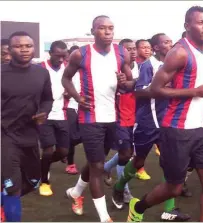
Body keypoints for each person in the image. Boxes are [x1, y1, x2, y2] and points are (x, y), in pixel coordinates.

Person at [127, 6, 203, 222]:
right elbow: (155, 89)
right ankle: (138, 207)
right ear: (187, 26)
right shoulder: (179, 53)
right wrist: (194, 92)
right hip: (176, 129)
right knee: (174, 187)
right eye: (200, 22)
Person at [62, 15, 134, 222]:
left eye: (111, 28)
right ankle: (104, 217)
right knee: (98, 167)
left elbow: (129, 84)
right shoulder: (80, 54)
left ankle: (76, 193)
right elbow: (66, 78)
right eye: (102, 28)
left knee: (109, 158)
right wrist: (77, 97)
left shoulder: (122, 53)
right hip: (90, 117)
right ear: (93, 31)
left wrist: (125, 81)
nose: (108, 32)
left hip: (114, 116)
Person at [1, 31, 53, 222]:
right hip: (5, 136)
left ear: (33, 48)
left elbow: (48, 99)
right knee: (12, 185)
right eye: (18, 46)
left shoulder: (41, 72)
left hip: (30, 134)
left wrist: (44, 112)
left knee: (33, 181)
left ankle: (4, 201)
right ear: (10, 49)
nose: (24, 50)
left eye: (28, 46)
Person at [104, 38, 140, 208]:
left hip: (138, 116)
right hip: (119, 117)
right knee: (126, 154)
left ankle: (105, 168)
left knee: (131, 153)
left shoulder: (142, 67)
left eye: (134, 48)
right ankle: (123, 190)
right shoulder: (114, 69)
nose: (132, 52)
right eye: (128, 49)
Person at [37, 40, 70, 197]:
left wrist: (71, 93)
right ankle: (44, 181)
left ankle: (40, 165)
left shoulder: (68, 69)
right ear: (50, 54)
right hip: (44, 115)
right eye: (58, 56)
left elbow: (72, 87)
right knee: (48, 150)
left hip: (62, 114)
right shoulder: (40, 68)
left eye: (64, 56)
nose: (61, 60)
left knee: (64, 151)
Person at [65, 45, 82, 175]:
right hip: (70, 106)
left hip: (85, 106)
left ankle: (63, 148)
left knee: (82, 136)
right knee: (71, 137)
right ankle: (70, 163)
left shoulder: (86, 70)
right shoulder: (65, 70)